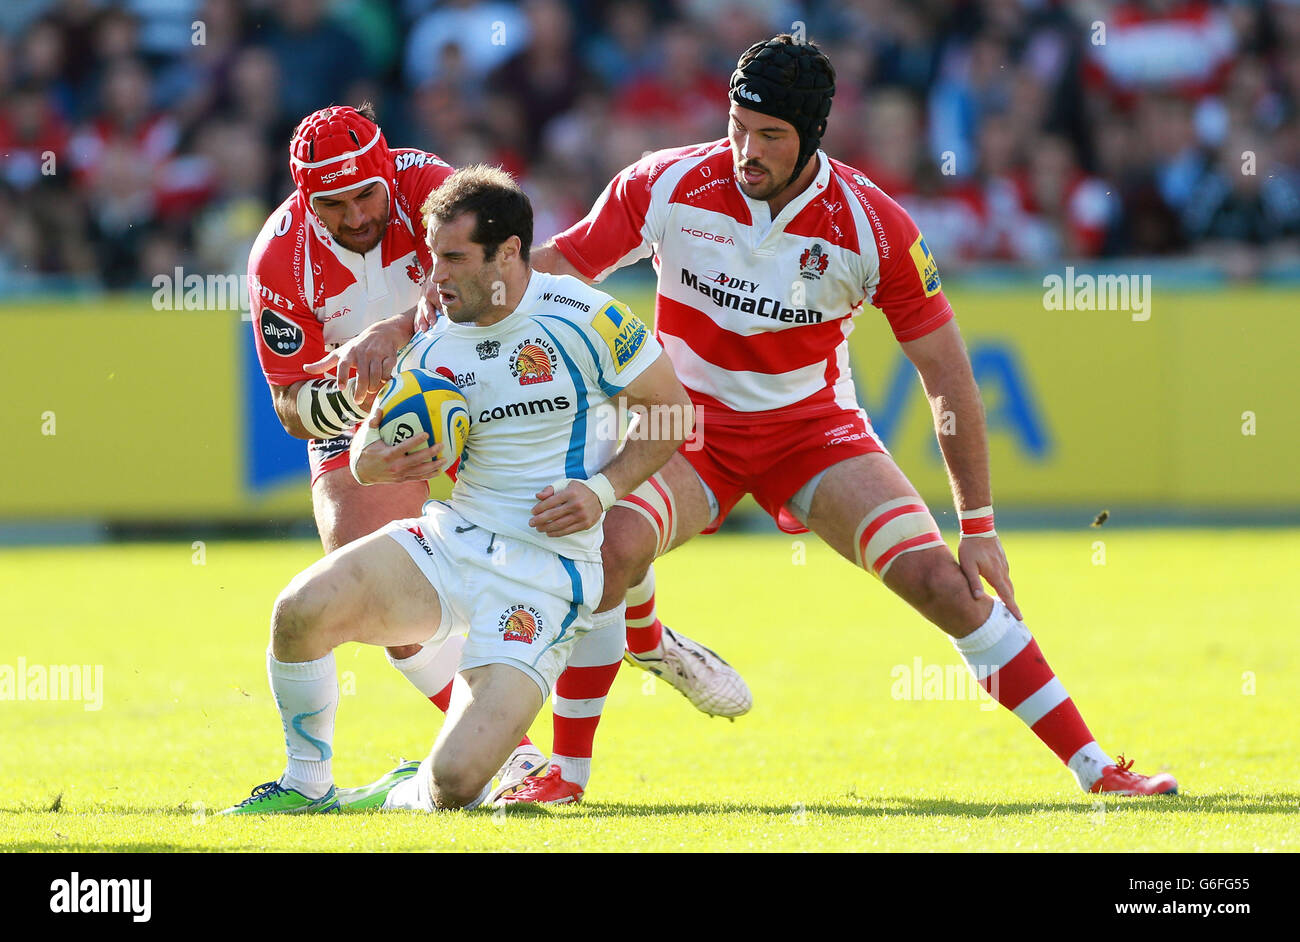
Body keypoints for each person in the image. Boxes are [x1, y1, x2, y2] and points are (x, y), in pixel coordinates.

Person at [510, 34, 1177, 802]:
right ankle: (567, 775)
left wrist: (980, 526)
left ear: (812, 137)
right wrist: (469, 299)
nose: (744, 150)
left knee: (944, 584)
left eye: (769, 136)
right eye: (736, 125)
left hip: (812, 432)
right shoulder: (664, 182)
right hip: (686, 432)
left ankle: (1097, 770)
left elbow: (949, 380)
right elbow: (565, 264)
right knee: (608, 554)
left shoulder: (873, 225)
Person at [247, 104, 747, 803]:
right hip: (389, 402)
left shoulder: (443, 198)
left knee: (601, 532)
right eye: (333, 205)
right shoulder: (278, 257)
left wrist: (395, 333)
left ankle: (641, 638)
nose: (356, 215)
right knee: (353, 588)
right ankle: (479, 760)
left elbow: (481, 293)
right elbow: (290, 405)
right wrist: (367, 419)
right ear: (305, 201)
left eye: (367, 194)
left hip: (477, 383)